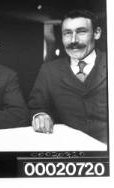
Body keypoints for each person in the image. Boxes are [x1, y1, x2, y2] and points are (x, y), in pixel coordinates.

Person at [28, 9, 107, 143]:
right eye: (67, 33)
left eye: (81, 32)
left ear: (97, 33)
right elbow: (36, 106)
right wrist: (40, 115)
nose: (73, 40)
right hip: (67, 147)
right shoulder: (49, 71)